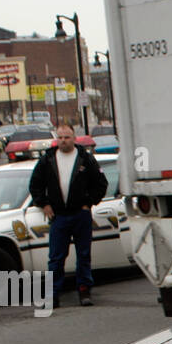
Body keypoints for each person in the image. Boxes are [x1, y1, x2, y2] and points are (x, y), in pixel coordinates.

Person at [29, 122, 108, 306]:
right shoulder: (47, 160)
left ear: (74, 138)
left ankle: (84, 291)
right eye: (60, 137)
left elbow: (101, 184)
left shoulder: (85, 159)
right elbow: (35, 185)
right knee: (55, 258)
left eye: (67, 137)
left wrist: (89, 203)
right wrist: (44, 204)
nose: (63, 141)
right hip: (58, 216)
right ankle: (53, 294)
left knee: (83, 255)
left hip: (81, 215)